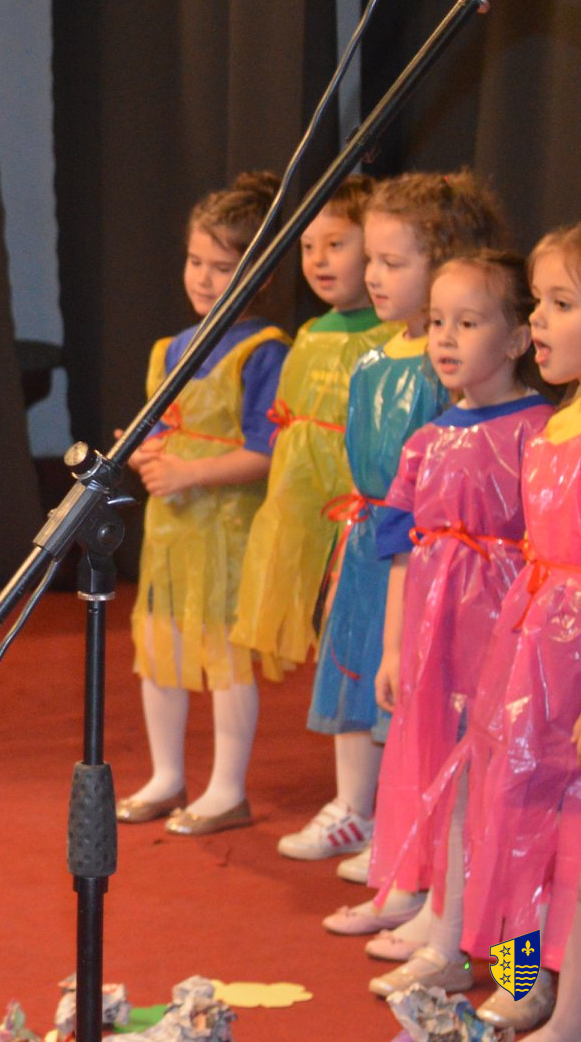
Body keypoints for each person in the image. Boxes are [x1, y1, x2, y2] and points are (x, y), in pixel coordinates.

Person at [282, 171, 506, 878]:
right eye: (371, 259)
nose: (373, 276)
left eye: (392, 261)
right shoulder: (374, 357)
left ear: (445, 264)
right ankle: (357, 806)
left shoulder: (449, 373)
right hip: (371, 536)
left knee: (415, 689)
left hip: (429, 552)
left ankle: (415, 829)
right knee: (354, 668)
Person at [340, 252, 548, 1001]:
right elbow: (403, 552)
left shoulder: (538, 431)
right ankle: (451, 932)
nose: (446, 338)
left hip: (516, 653)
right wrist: (395, 650)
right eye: (436, 322)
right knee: (456, 794)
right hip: (444, 653)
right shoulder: (428, 439)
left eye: (469, 322)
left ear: (518, 338)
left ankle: (520, 973)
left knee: (515, 810)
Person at [117, 171, 290, 836]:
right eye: (196, 262)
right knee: (159, 649)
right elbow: (161, 429)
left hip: (229, 532)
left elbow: (268, 450)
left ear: (260, 273)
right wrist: (146, 453)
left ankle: (226, 788)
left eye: (223, 266)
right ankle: (167, 775)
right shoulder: (169, 349)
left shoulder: (264, 351)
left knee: (225, 657)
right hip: (171, 532)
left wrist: (189, 471)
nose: (204, 279)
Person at [448, 225, 581, 1037]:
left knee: (572, 831)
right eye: (539, 301)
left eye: (562, 303)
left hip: (574, 656)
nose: (538, 320)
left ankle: (569, 1009)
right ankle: (522, 977)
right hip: (536, 641)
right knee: (516, 809)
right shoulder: (558, 421)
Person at [232, 176, 395, 707]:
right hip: (305, 505)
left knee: (362, 635)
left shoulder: (391, 338)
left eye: (336, 244)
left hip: (357, 509)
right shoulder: (307, 336)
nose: (318, 260)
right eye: (307, 246)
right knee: (327, 637)